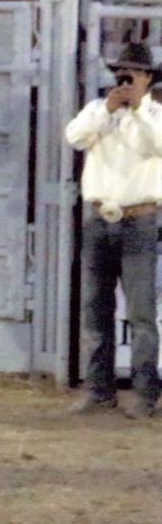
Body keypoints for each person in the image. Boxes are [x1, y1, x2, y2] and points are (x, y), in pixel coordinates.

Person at [64, 43, 162, 419]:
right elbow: (74, 137)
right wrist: (108, 108)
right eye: (122, 72)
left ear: (148, 78)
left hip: (139, 219)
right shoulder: (97, 109)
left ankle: (145, 393)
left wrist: (137, 109)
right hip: (99, 218)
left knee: (141, 313)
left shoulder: (156, 114)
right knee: (95, 310)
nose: (126, 79)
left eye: (134, 73)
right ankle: (98, 390)